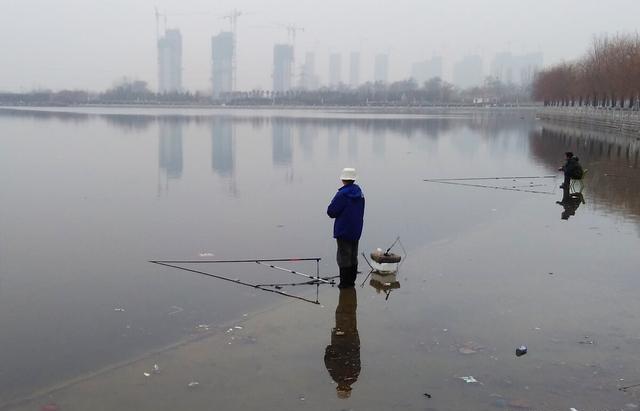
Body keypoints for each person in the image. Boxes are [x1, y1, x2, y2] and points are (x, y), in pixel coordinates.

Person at [327, 167, 365, 289]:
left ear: (343, 179)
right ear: (354, 179)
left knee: (344, 257)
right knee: (353, 256)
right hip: (356, 230)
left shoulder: (342, 194)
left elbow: (331, 212)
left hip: (343, 231)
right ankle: (351, 282)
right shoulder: (360, 193)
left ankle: (344, 284)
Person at [324, 288, 360, 399]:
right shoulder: (350, 377)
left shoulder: (343, 377)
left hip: (349, 338)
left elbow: (356, 357)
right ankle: (346, 292)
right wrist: (329, 349)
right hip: (343, 339)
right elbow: (328, 360)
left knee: (347, 314)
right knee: (344, 314)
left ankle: (346, 292)